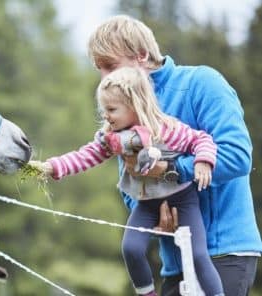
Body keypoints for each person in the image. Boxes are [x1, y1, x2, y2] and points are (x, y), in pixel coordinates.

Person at [86, 15, 261, 296]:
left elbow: (237, 156)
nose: (105, 78)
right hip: (175, 259)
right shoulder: (123, 108)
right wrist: (153, 215)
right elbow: (130, 185)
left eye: (110, 66)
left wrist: (172, 170)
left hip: (224, 253)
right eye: (99, 69)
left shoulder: (203, 83)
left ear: (141, 55)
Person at [34, 66, 223, 295]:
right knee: (131, 249)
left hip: (183, 199)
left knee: (198, 255)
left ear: (134, 105)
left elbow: (201, 139)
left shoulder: (165, 130)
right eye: (104, 109)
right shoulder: (112, 139)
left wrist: (203, 161)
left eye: (112, 109)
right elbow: (86, 155)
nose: (106, 115)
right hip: (146, 204)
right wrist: (54, 167)